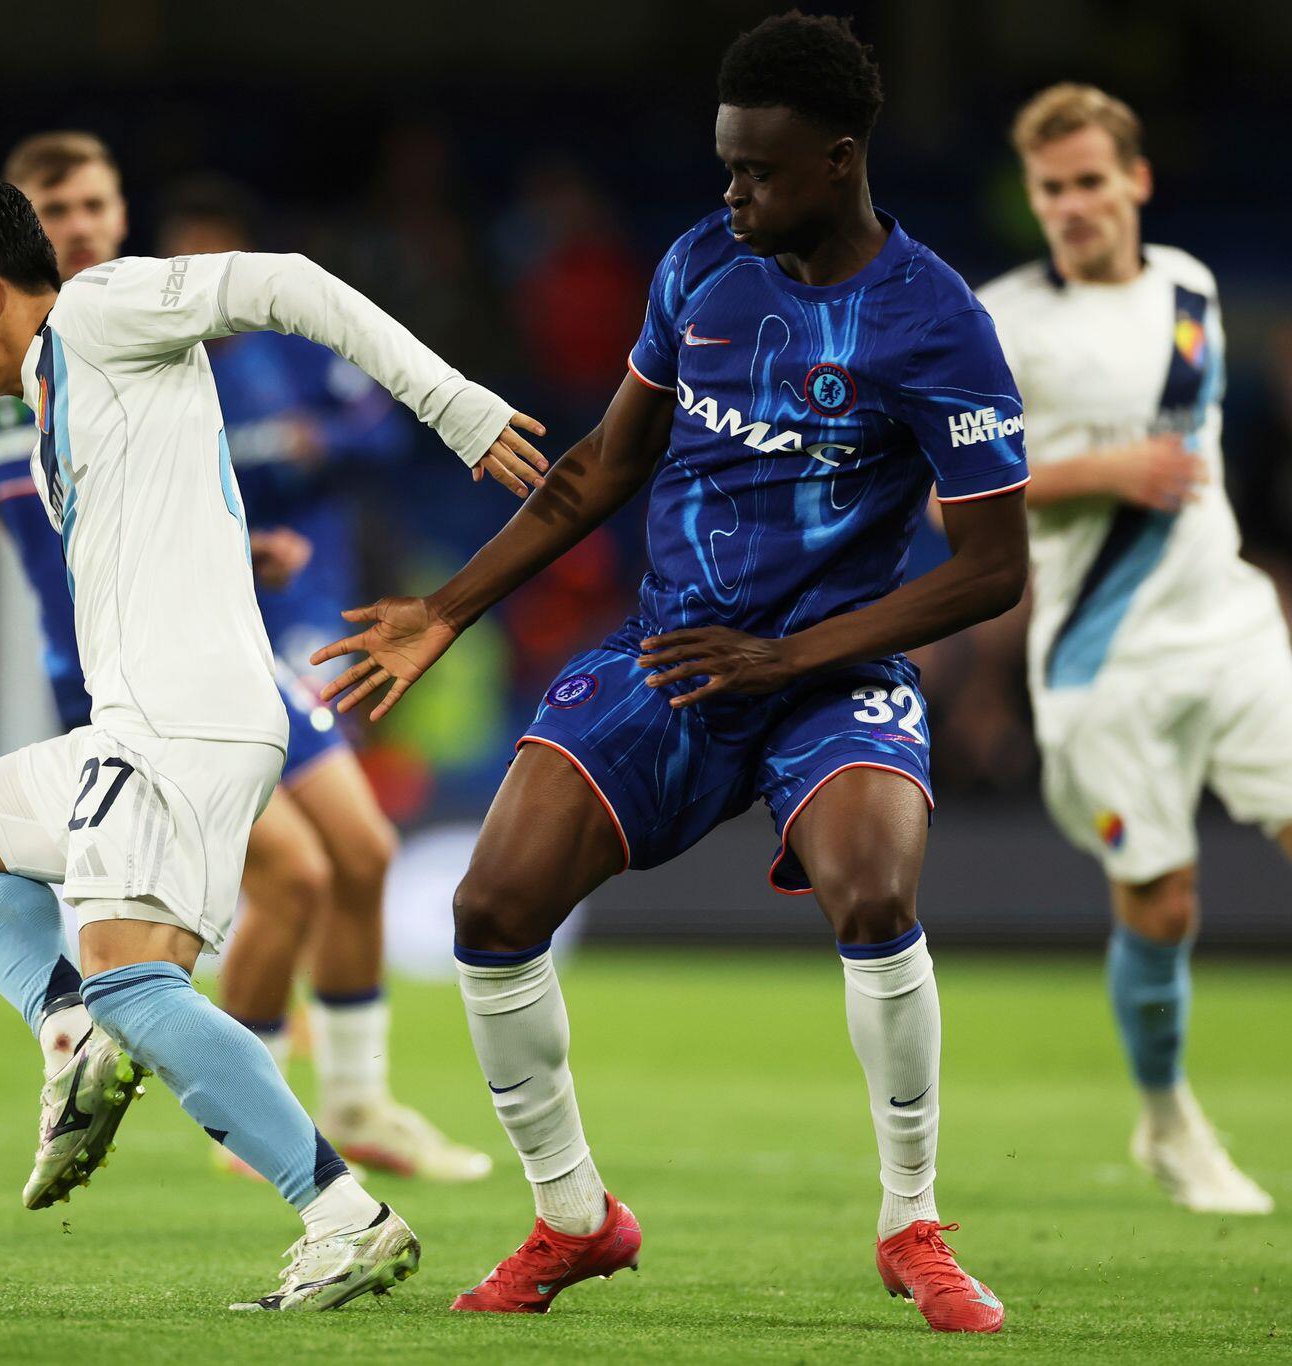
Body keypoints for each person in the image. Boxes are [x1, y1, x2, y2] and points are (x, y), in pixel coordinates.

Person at [314, 12, 1026, 1332]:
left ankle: (911, 1222)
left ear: (839, 161)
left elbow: (992, 568)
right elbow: (606, 463)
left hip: (829, 667)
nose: (732, 193)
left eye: (759, 170)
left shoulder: (936, 322)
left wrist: (789, 654)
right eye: (725, 165)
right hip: (679, 649)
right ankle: (573, 1216)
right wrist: (447, 609)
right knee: (489, 906)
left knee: (874, 890)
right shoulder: (701, 263)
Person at [0, 170, 546, 1308]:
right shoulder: (54, 399)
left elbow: (285, 283)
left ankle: (343, 1218)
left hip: (180, 721)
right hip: (141, 721)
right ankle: (68, 1035)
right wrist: (246, 552)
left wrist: (452, 404)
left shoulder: (97, 311)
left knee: (137, 987)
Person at [0, 133, 487, 1181]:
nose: (80, 226)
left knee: (360, 853)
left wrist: (234, 540)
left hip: (220, 641)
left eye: (96, 204)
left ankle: (351, 1100)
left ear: (122, 213)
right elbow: (71, 537)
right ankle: (254, 1125)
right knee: (293, 876)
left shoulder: (151, 323)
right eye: (56, 210)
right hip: (123, 671)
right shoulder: (19, 372)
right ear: (19, 232)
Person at [977, 84, 1280, 1215]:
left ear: (1135, 180)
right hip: (1100, 657)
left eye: (1090, 181)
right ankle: (1165, 1120)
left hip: (1230, 625)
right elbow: (946, 495)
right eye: (1050, 188)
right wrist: (1099, 472)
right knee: (1161, 905)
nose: (1072, 205)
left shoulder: (1190, 286)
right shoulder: (998, 322)